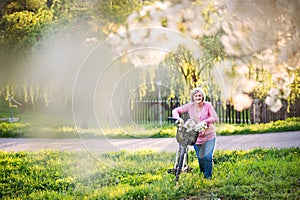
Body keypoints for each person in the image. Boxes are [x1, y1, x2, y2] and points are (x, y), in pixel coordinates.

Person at [172, 87, 219, 179]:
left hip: (209, 136)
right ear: (193, 97)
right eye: (196, 96)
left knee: (208, 157)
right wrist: (178, 118)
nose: (198, 97)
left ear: (203, 97)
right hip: (196, 137)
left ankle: (208, 177)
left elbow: (215, 118)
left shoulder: (207, 105)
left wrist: (205, 122)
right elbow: (176, 110)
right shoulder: (190, 106)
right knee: (201, 159)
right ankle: (203, 174)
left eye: (200, 96)